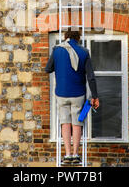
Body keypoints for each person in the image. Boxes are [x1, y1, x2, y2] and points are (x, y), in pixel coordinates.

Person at [45, 30, 99, 165]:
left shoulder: (57, 50)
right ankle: (76, 154)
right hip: (78, 93)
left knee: (65, 122)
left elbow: (47, 69)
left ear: (65, 37)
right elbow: (91, 77)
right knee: (77, 123)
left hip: (61, 93)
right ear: (78, 38)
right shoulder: (84, 52)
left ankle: (67, 154)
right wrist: (95, 96)